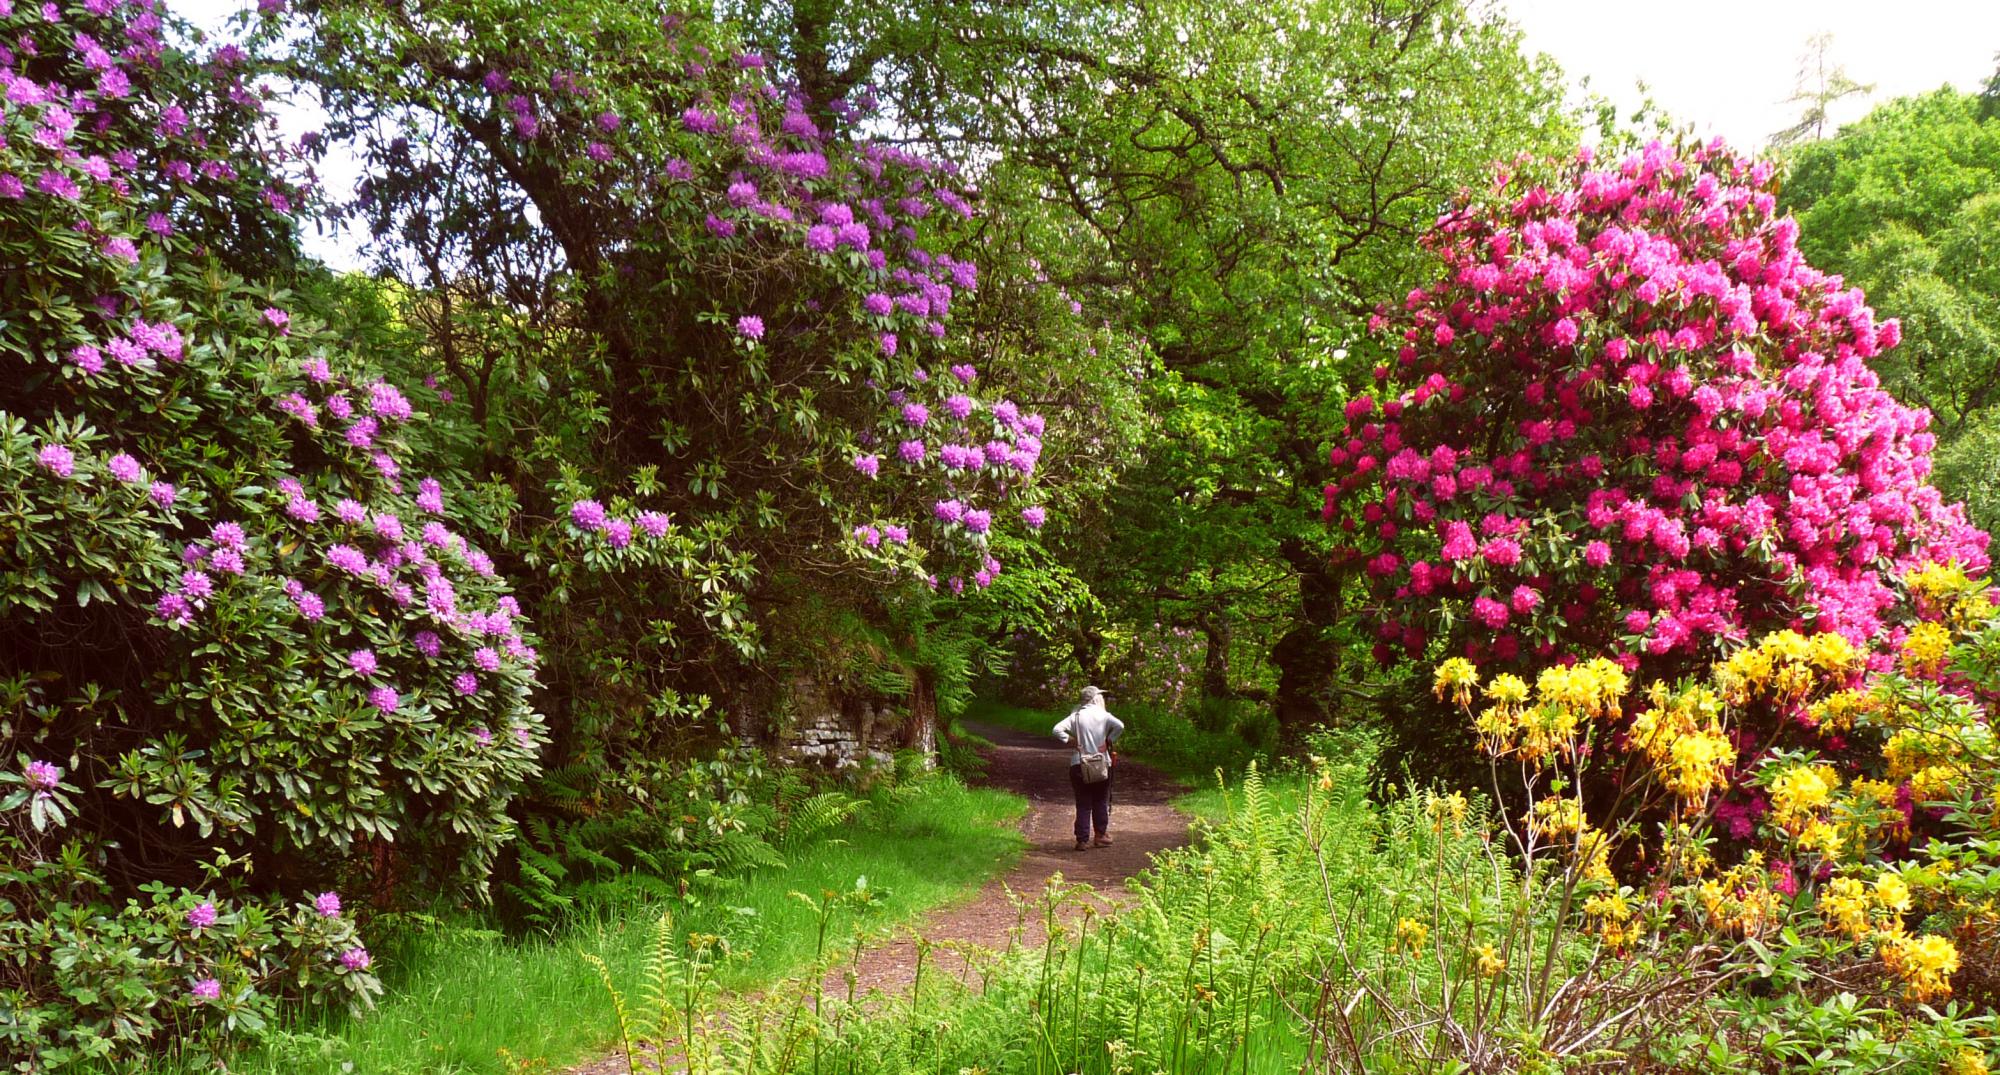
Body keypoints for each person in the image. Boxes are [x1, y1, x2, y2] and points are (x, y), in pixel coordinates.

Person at [1054, 685, 1124, 851]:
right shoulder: (1103, 715)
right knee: (1100, 800)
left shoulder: (1075, 716)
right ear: (1095, 698)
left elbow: (1057, 729)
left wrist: (1069, 740)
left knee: (1083, 803)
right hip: (1101, 763)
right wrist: (1108, 740)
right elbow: (1120, 726)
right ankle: (1100, 836)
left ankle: (1082, 840)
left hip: (1079, 763)